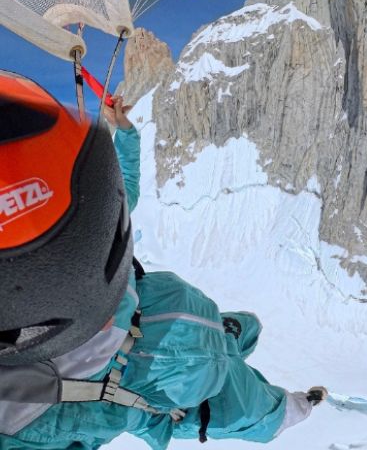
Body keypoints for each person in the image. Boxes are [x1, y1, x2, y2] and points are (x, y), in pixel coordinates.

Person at [0, 71, 324, 449]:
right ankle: (290, 401)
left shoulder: (86, 223)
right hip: (172, 373)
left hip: (177, 334)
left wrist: (125, 134)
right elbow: (115, 196)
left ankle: (235, 345)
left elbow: (118, 193)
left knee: (243, 336)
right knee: (256, 409)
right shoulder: (24, 415)